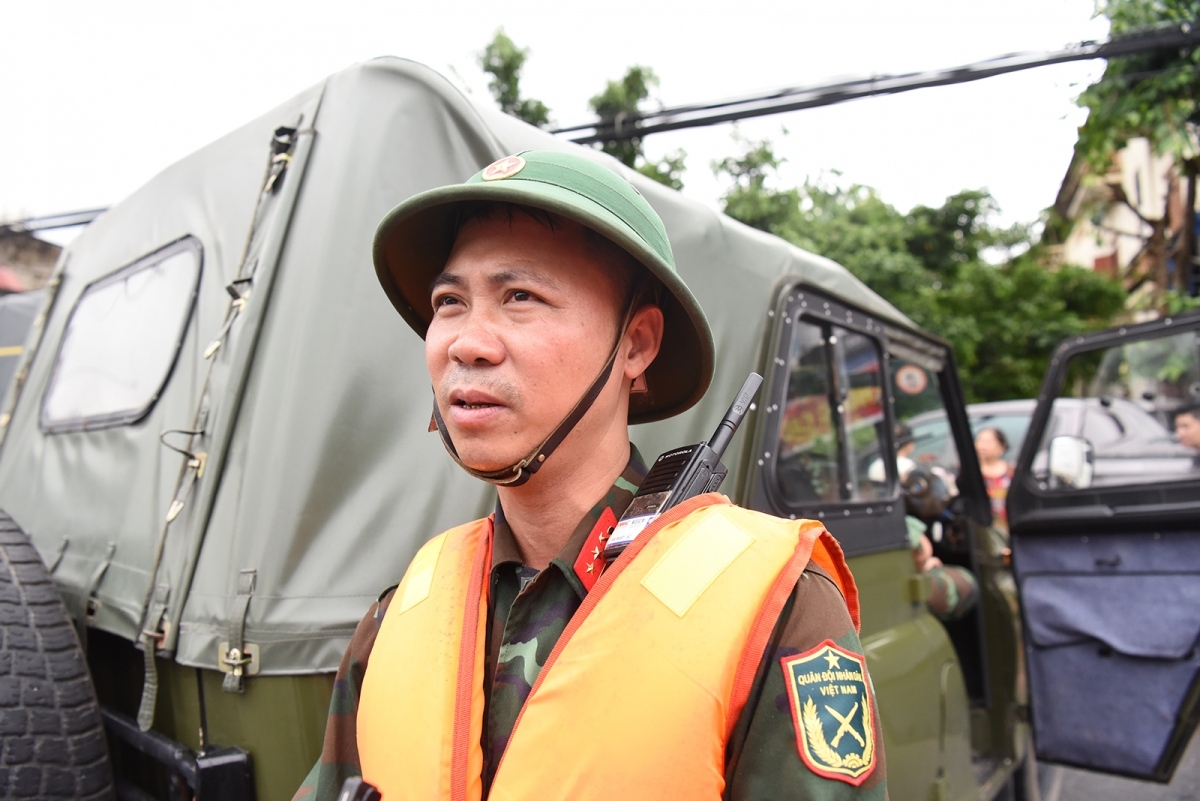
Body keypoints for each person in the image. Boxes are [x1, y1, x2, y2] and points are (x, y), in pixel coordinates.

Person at [292, 151, 886, 800]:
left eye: (520, 296)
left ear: (636, 344)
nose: (466, 342)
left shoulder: (776, 606)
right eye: (449, 301)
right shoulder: (399, 614)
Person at [975, 427, 1014, 532]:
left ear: (1001, 446)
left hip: (1007, 529)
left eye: (988, 442)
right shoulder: (971, 473)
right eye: (979, 441)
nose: (982, 446)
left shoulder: (1012, 472)